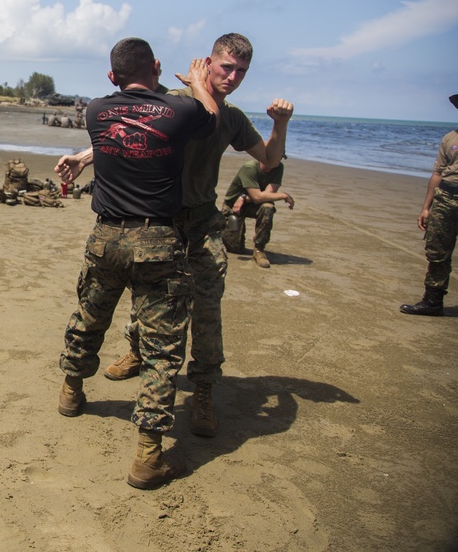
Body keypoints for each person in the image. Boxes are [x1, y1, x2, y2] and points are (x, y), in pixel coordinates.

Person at [57, 33, 293, 439]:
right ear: (208, 62)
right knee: (141, 298)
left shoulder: (231, 118)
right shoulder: (167, 97)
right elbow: (130, 133)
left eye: (241, 72)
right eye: (226, 67)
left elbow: (270, 159)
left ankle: (202, 390)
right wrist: (83, 155)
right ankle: (136, 350)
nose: (233, 77)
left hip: (200, 224)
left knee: (205, 308)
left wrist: (281, 123)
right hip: (155, 222)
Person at [56, 38, 219, 490]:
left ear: (111, 77)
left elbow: (124, 123)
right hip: (158, 240)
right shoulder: (180, 110)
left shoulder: (94, 111)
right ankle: (148, 456)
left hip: (105, 236)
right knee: (162, 349)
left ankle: (71, 392)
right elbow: (210, 117)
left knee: (89, 317)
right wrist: (201, 83)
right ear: (158, 68)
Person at [400, 94, 458, 316]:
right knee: (437, 251)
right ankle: (433, 300)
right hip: (445, 197)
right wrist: (426, 207)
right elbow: (437, 173)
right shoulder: (450, 138)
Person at [220, 158, 293, 267]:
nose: (277, 159)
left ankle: (259, 250)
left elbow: (266, 195)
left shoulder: (279, 168)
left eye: (280, 156)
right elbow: (258, 197)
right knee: (234, 249)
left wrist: (243, 198)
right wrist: (284, 195)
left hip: (253, 204)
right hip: (233, 206)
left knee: (267, 207)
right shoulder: (250, 167)